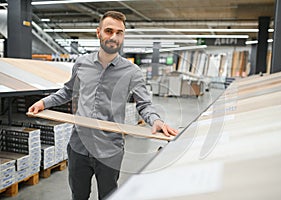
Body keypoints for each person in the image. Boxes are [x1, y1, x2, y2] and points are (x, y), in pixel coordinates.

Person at [28, 11, 178, 200]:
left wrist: (155, 121)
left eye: (119, 32)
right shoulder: (82, 63)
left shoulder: (132, 72)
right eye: (109, 31)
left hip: (110, 151)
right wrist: (43, 103)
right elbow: (67, 91)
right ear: (98, 32)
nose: (114, 37)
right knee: (78, 195)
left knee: (108, 196)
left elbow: (144, 104)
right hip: (78, 147)